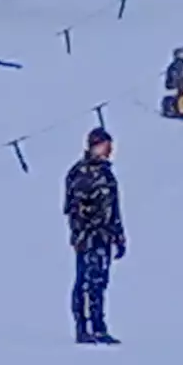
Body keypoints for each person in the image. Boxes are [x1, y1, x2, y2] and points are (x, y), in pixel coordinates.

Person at [64, 127, 126, 345]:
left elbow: (114, 208)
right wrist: (81, 233)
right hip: (86, 238)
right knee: (84, 282)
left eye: (109, 147)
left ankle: (99, 327)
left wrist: (119, 236)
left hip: (104, 238)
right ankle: (82, 328)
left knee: (100, 282)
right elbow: (73, 209)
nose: (108, 151)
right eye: (103, 146)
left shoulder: (107, 174)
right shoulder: (79, 173)